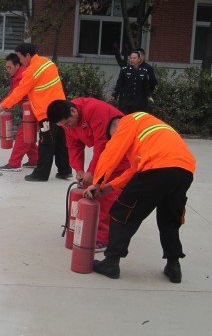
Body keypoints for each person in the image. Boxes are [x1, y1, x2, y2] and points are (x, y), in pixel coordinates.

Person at [84, 112, 196, 283]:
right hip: (184, 171)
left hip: (157, 169)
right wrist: (109, 187)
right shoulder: (151, 129)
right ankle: (174, 266)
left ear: (116, 127)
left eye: (115, 137)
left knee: (121, 212)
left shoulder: (128, 121)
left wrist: (98, 182)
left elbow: (112, 153)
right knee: (169, 219)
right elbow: (134, 170)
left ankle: (111, 262)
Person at [47, 98, 130, 252]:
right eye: (63, 126)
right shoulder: (69, 122)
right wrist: (79, 169)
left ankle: (103, 238)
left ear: (73, 111)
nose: (67, 127)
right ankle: (88, 228)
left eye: (67, 123)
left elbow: (102, 144)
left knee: (104, 191)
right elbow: (73, 145)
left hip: (123, 151)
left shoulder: (94, 110)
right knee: (88, 188)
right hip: (107, 151)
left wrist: (92, 173)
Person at [0, 43, 72, 182]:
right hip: (61, 109)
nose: (20, 62)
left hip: (47, 113)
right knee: (60, 143)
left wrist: (3, 106)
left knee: (46, 144)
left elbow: (19, 93)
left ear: (27, 55)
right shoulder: (48, 63)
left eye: (21, 58)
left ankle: (41, 174)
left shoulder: (31, 71)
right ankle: (65, 171)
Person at [0, 53, 38, 172]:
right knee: (27, 136)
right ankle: (35, 160)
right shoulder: (17, 76)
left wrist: (1, 106)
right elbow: (13, 95)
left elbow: (15, 94)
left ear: (17, 65)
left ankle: (14, 163)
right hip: (30, 110)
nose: (7, 70)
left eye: (9, 67)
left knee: (23, 136)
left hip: (34, 110)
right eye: (6, 67)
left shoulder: (22, 77)